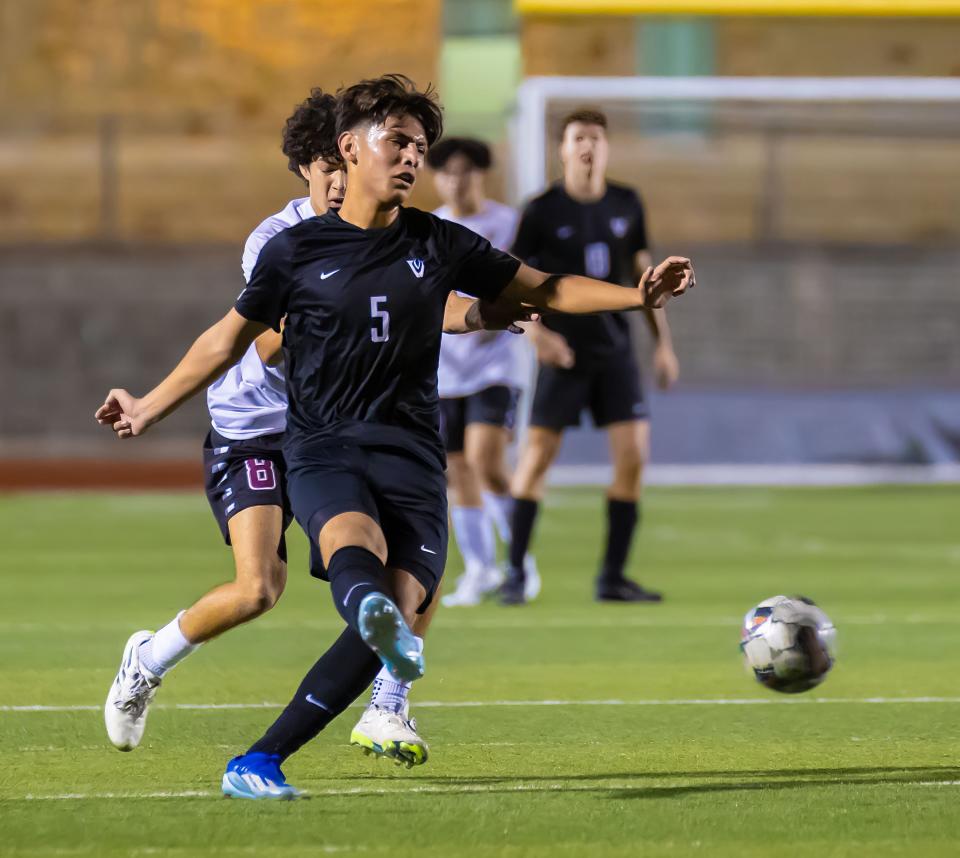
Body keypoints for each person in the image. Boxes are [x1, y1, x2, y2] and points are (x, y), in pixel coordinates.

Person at [96, 75, 694, 799]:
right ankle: (297, 647)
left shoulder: (436, 243)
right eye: (398, 143)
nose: (413, 158)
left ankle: (277, 749)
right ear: (343, 155)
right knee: (303, 573)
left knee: (402, 599)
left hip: (411, 446)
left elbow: (538, 288)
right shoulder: (287, 248)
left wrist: (637, 296)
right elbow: (231, 343)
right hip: (293, 436)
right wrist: (150, 406)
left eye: (420, 146)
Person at [99, 88, 489, 766]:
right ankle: (148, 659)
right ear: (310, 167)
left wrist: (479, 311)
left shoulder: (384, 231)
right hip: (258, 428)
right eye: (325, 170)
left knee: (413, 561)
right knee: (258, 589)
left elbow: (426, 303)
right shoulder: (278, 242)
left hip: (340, 430)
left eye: (345, 169)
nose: (340, 183)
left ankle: (389, 705)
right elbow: (264, 340)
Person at [500, 108, 681, 606]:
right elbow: (516, 282)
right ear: (562, 148)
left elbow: (645, 277)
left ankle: (612, 578)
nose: (587, 146)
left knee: (632, 459)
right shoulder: (541, 209)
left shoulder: (626, 202)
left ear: (606, 148)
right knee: (536, 459)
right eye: (578, 137)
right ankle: (514, 573)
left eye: (596, 138)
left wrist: (662, 344)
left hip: (615, 350)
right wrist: (537, 338)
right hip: (563, 351)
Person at [427, 137, 540, 606]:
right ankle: (479, 569)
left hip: (496, 364)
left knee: (488, 460)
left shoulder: (507, 224)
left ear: (481, 175)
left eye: (465, 171)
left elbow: (529, 285)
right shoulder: (431, 227)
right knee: (457, 471)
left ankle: (519, 562)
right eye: (447, 172)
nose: (456, 180)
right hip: (444, 368)